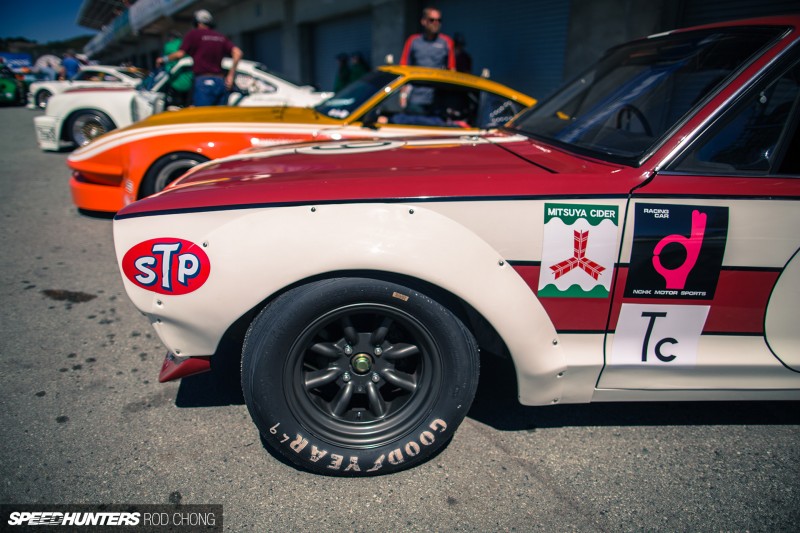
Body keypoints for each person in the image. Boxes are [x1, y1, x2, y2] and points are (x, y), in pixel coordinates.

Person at [157, 9, 243, 106]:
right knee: (219, 114)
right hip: (220, 82)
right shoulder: (220, 36)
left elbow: (180, 54)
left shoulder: (193, 34)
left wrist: (163, 59)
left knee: (203, 114)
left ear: (196, 22)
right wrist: (231, 75)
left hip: (203, 82)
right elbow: (238, 52)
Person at [162, 30, 192, 108]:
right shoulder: (185, 45)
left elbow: (171, 59)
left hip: (175, 81)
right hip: (190, 81)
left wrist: (163, 60)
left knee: (174, 107)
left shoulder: (168, 46)